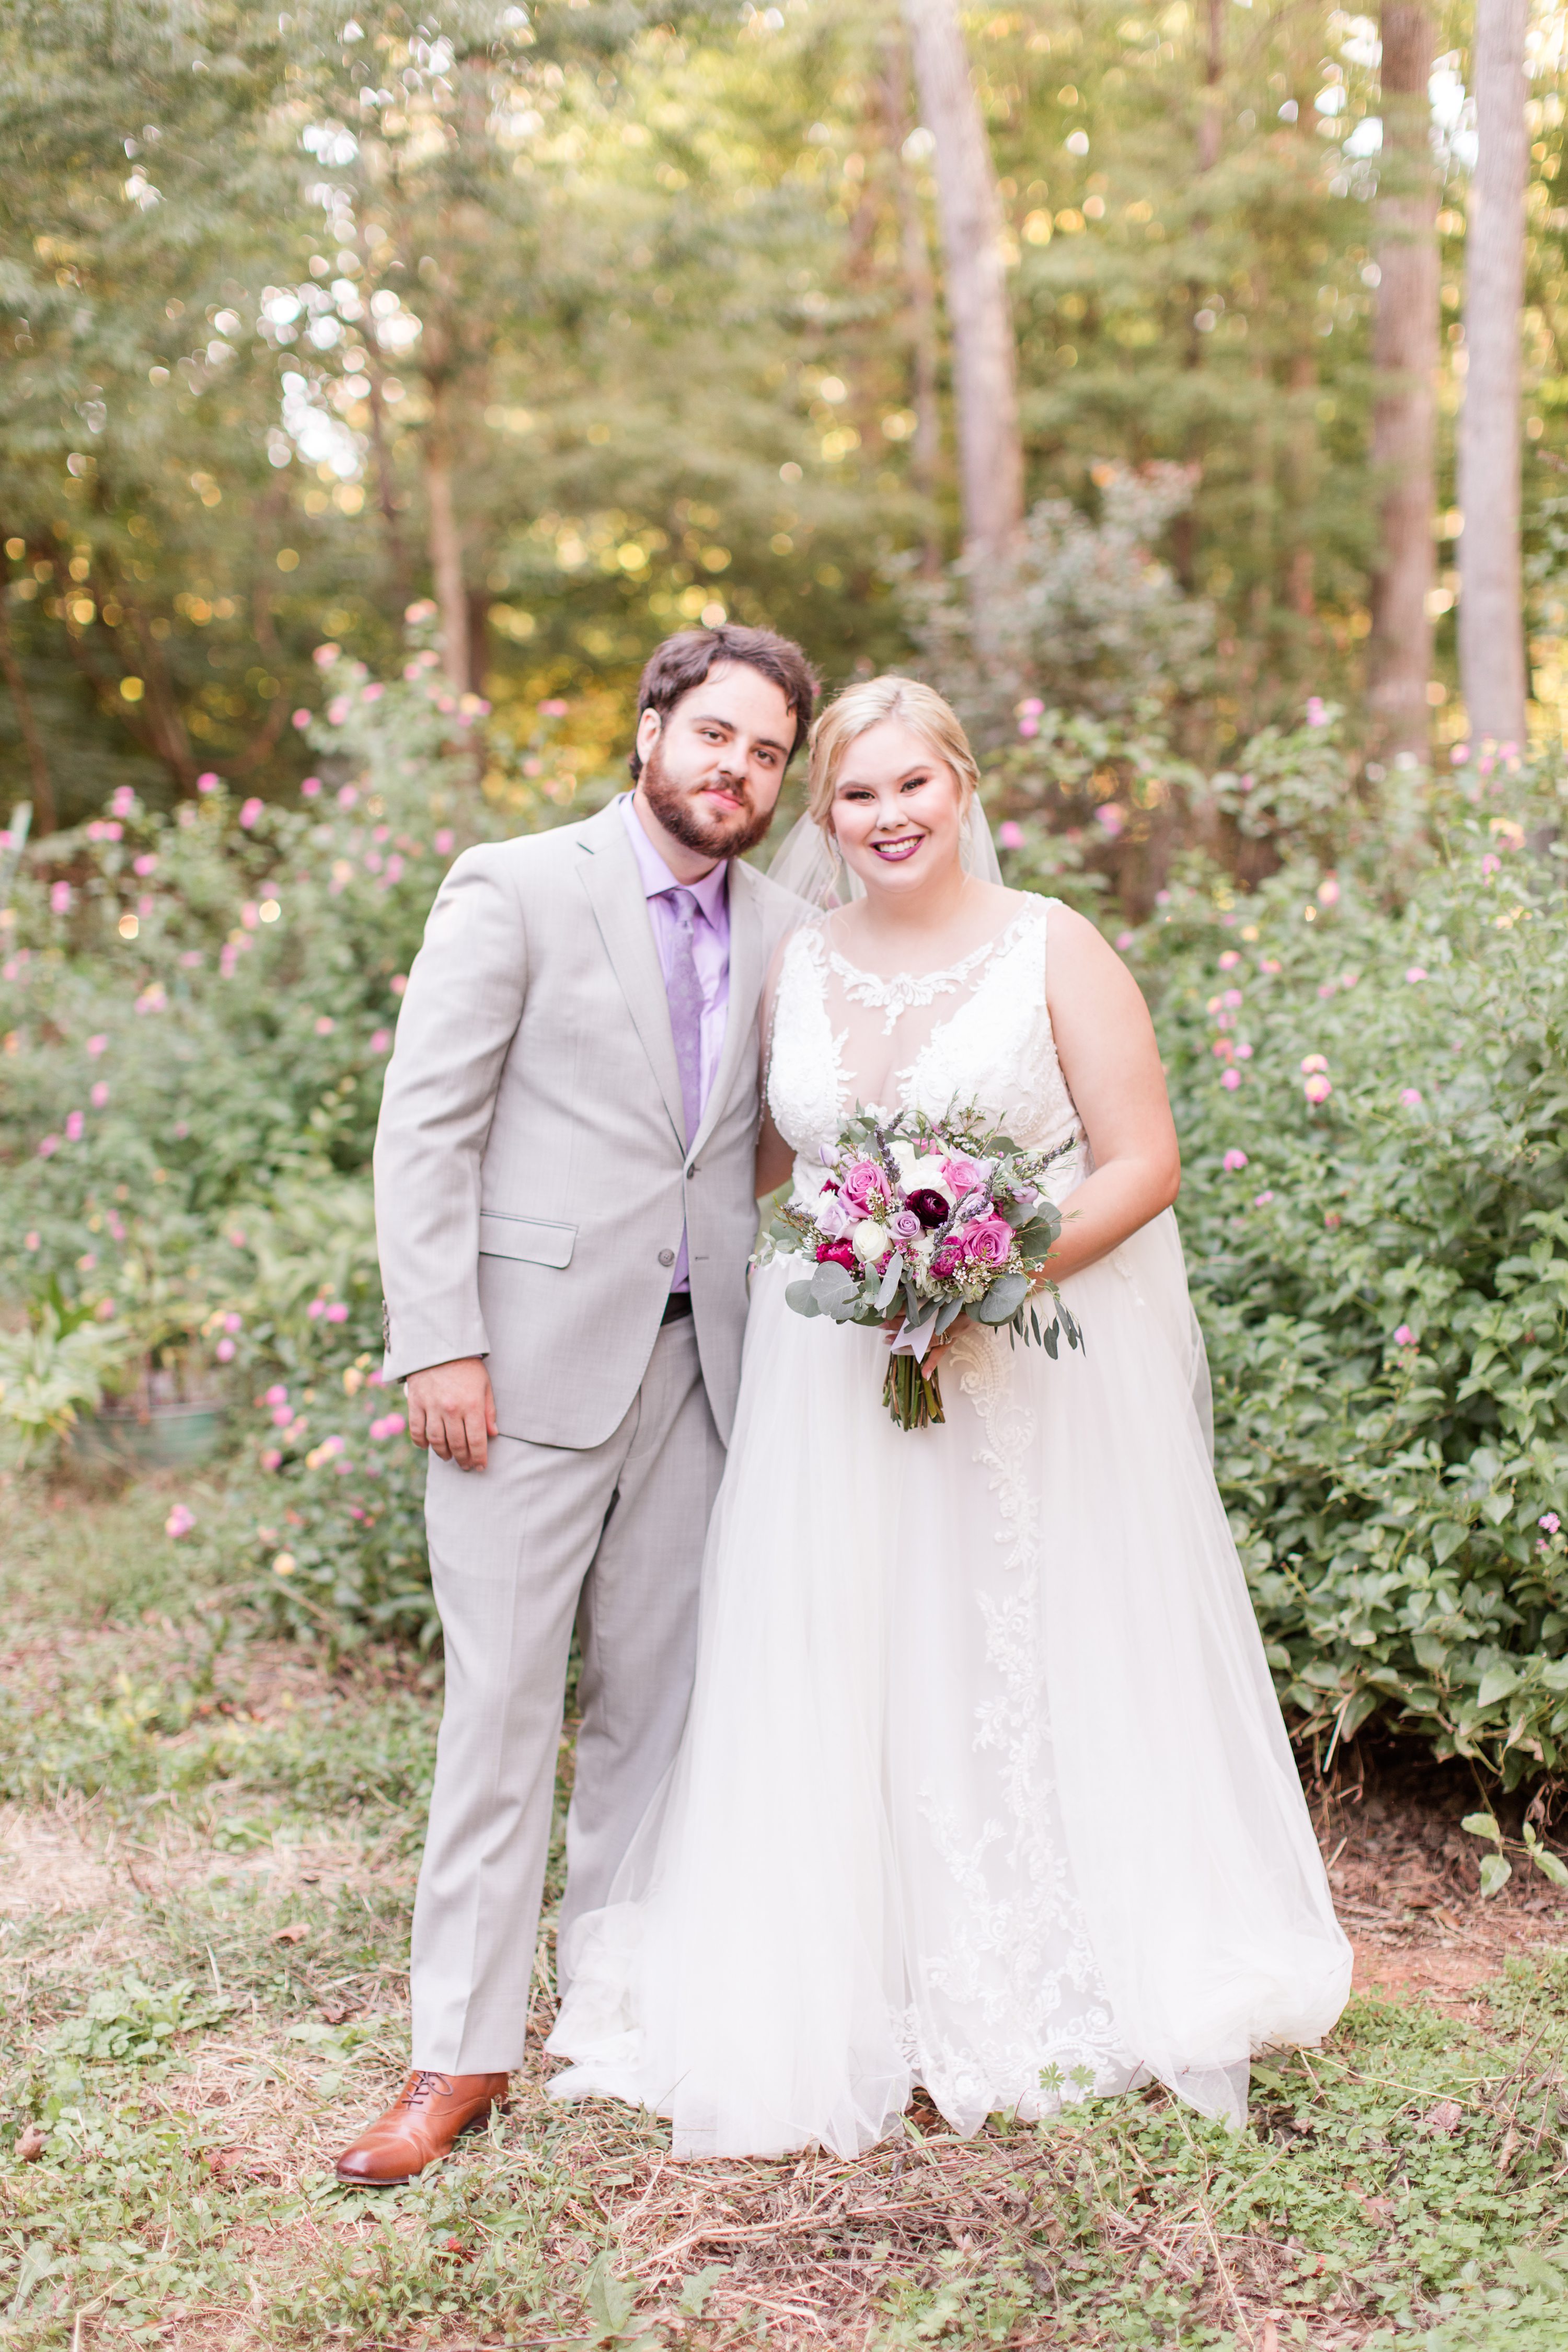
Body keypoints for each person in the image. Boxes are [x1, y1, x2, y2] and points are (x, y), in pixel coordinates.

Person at [546, 675, 1352, 2159]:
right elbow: (757, 1171)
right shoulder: (797, 962)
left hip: (1020, 1371)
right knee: (849, 1644)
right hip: (829, 1377)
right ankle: (857, 1965)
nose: (888, 816)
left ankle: (1040, 1958)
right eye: (855, 795)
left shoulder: (1056, 944)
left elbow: (1143, 1157)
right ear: (824, 814)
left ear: (963, 786)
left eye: (914, 784)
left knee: (1012, 1636)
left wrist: (985, 1268)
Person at [334, 626, 817, 2186]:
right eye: (717, 735)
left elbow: (754, 1139)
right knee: (500, 1706)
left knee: (656, 1710)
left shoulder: (794, 927)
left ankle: (607, 2017)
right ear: (651, 723)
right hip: (520, 1367)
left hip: (704, 1362)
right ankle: (457, 2050)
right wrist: (438, 1341)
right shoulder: (518, 883)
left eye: (765, 754)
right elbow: (428, 1128)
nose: (736, 769)